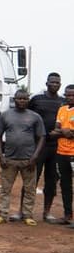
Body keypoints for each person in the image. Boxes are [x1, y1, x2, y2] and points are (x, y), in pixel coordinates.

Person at [0, 90, 45, 226]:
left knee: (30, 189)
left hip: (28, 160)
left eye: (25, 99)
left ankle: (28, 215)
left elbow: (42, 137)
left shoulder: (35, 117)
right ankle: (2, 214)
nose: (22, 101)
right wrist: (1, 155)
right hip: (9, 159)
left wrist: (35, 157)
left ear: (28, 100)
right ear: (14, 99)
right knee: (5, 189)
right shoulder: (6, 115)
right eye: (19, 99)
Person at [21, 72, 65, 222]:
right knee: (31, 179)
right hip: (37, 146)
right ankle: (23, 211)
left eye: (57, 82)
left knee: (52, 181)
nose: (54, 84)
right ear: (46, 83)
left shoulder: (63, 102)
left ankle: (46, 213)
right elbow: (27, 118)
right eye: (52, 82)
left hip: (56, 147)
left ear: (60, 84)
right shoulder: (37, 100)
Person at [53, 84, 74, 225]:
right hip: (61, 153)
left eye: (72, 95)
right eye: (67, 95)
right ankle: (67, 215)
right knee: (65, 185)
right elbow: (56, 130)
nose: (69, 97)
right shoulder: (61, 109)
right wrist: (65, 132)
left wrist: (63, 132)